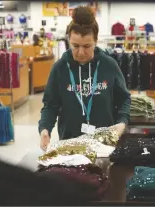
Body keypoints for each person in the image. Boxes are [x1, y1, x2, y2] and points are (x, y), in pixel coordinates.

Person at [38, 6, 131, 151]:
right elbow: (50, 105)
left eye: (87, 46)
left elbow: (124, 99)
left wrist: (122, 122)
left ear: (96, 41)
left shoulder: (109, 65)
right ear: (68, 40)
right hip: (69, 145)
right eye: (75, 46)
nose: (81, 52)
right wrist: (45, 129)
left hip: (104, 146)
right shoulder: (60, 68)